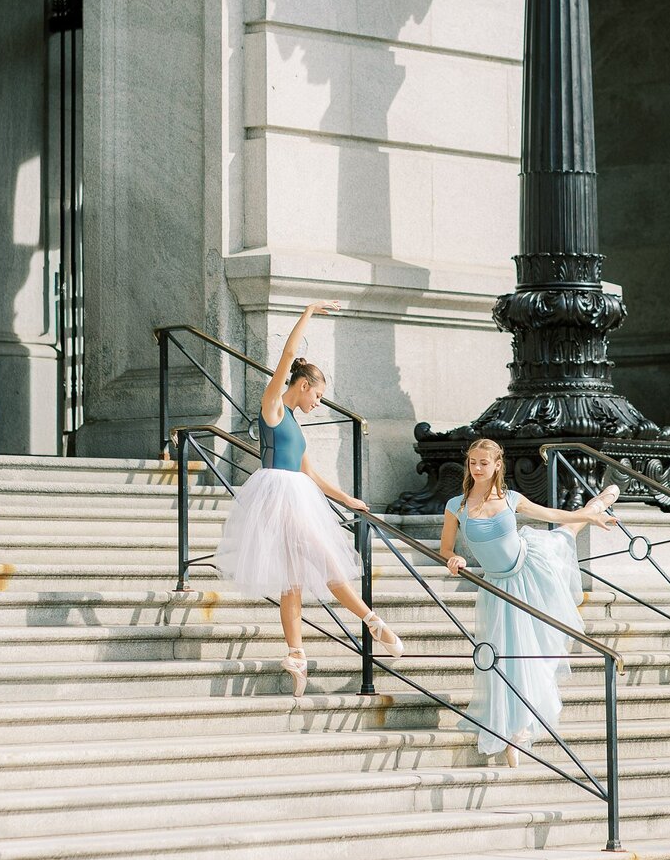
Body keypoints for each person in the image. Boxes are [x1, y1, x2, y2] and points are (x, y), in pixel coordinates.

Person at [215, 301, 404, 696]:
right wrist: (311, 310)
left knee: (294, 582)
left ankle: (297, 656)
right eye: (316, 395)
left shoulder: (296, 425)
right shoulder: (273, 408)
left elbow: (310, 473)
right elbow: (286, 355)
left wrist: (346, 498)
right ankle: (372, 621)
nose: (318, 403)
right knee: (323, 560)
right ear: (302, 386)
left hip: (296, 492)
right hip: (276, 496)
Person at [439, 437, 619, 767]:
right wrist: (454, 560)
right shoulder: (456, 506)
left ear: (497, 466)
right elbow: (446, 549)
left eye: (484, 463)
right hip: (497, 587)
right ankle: (513, 728)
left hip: (529, 568)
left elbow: (549, 512)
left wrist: (591, 520)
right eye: (472, 462)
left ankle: (595, 508)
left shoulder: (511, 499)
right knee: (506, 656)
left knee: (564, 534)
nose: (477, 468)